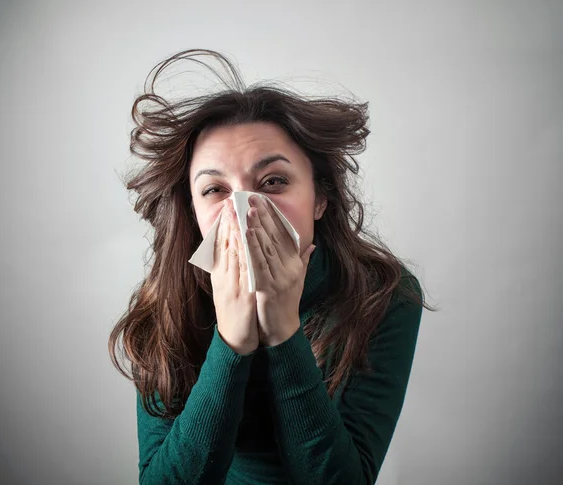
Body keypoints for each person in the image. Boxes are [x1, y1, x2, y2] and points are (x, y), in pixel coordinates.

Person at [109, 48, 436, 485]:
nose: (245, 211)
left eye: (273, 182)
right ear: (191, 211)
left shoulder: (383, 296)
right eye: (214, 190)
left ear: (320, 198)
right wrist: (233, 340)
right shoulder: (168, 302)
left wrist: (283, 330)